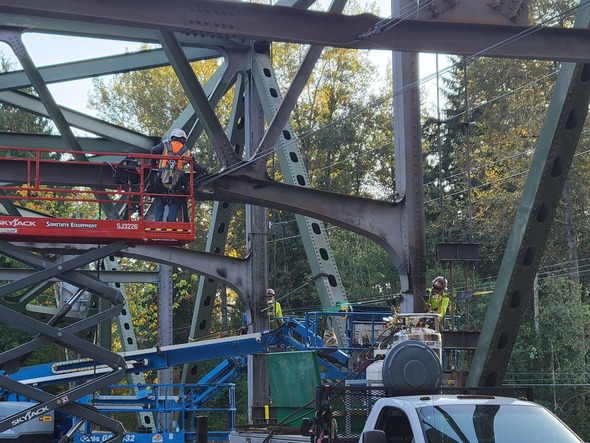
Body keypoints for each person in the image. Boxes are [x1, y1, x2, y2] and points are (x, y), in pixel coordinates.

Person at [150, 128, 210, 222]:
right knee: (175, 200)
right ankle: (170, 224)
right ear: (182, 139)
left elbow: (154, 151)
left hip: (161, 179)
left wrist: (153, 164)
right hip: (176, 182)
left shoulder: (165, 145)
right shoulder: (186, 151)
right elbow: (195, 166)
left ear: (173, 137)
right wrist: (205, 170)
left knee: (160, 199)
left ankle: (158, 223)